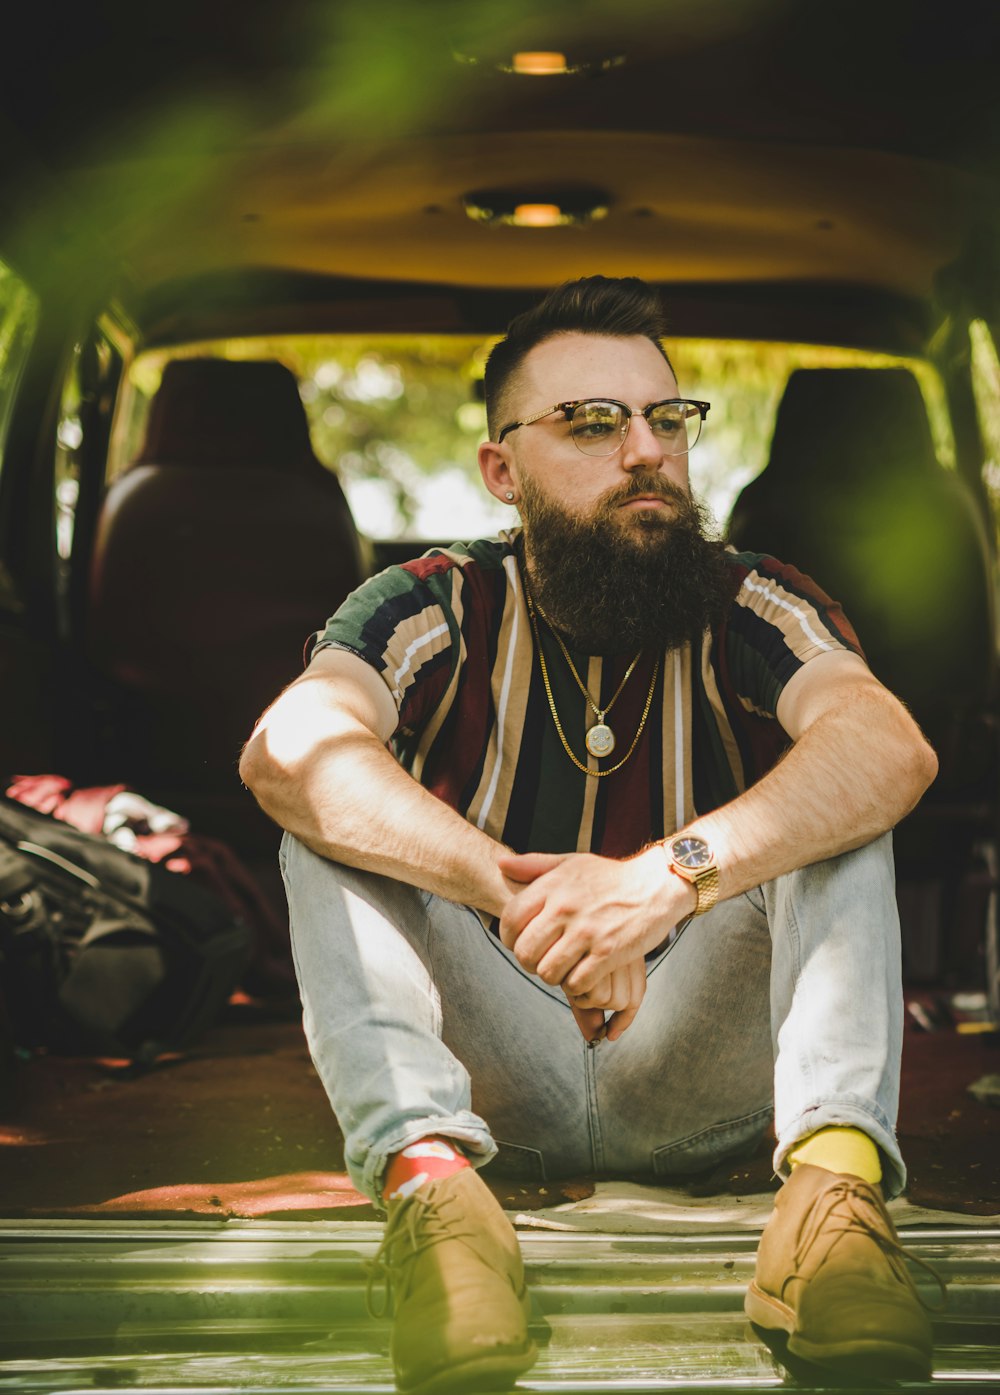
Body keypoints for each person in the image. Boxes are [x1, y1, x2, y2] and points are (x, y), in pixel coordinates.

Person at [239, 276, 940, 1393]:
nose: (644, 451)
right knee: (320, 812)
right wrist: (508, 890)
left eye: (666, 419)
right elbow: (287, 752)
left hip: (705, 1081)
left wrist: (661, 881)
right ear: (501, 472)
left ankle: (834, 1207)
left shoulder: (753, 600)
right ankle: (436, 1205)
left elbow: (890, 751)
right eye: (591, 423)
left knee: (845, 798)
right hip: (490, 1090)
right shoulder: (429, 604)